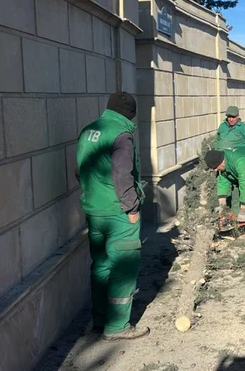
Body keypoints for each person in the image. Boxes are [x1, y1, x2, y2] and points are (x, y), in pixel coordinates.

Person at [76, 92, 149, 340]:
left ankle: (99, 321)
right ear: (130, 114)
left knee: (101, 266)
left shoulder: (89, 130)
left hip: (94, 210)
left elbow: (79, 170)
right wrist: (132, 208)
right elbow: (122, 175)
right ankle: (117, 326)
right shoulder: (121, 134)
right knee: (124, 268)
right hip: (118, 212)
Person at [213, 106, 245, 221]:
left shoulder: (244, 129)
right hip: (222, 163)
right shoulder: (222, 126)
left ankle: (237, 213)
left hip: (236, 163)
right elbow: (217, 140)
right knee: (222, 184)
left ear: (238, 116)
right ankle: (224, 210)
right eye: (229, 117)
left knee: (237, 188)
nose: (231, 119)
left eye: (233, 117)